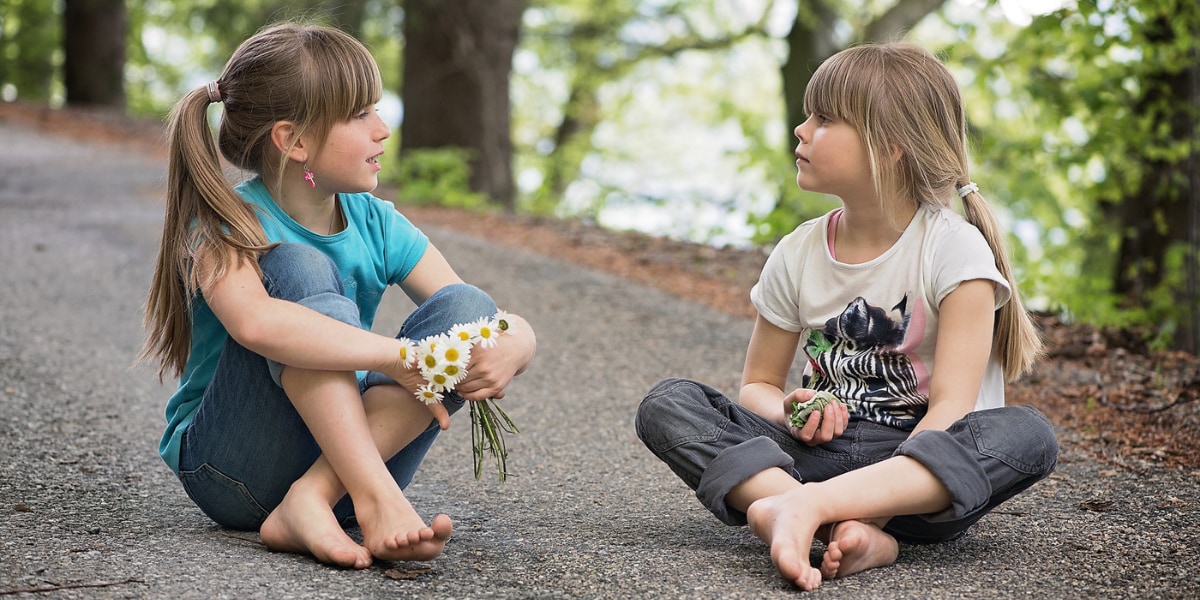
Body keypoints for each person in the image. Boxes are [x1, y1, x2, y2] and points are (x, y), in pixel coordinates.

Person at [634, 41, 1057, 591]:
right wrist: (791, 410)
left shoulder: (954, 251)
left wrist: (870, 511)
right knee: (669, 404)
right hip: (809, 457)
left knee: (1027, 435)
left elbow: (950, 411)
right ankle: (810, 515)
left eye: (825, 119)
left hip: (915, 481)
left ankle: (792, 511)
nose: (801, 130)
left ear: (890, 147)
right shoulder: (799, 250)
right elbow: (758, 384)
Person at [137, 22, 536, 569]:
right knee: (298, 265)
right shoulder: (225, 222)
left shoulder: (375, 222)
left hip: (344, 468)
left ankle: (314, 498)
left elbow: (474, 313)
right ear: (294, 141)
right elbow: (256, 325)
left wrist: (518, 342)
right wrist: (398, 357)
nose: (383, 130)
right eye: (359, 115)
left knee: (468, 308)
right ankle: (372, 497)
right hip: (234, 469)